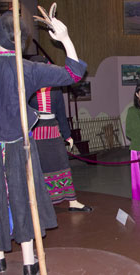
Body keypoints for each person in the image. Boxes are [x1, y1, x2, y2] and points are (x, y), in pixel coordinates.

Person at [0, 11, 86, 274]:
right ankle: (30, 261)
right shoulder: (29, 69)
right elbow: (74, 74)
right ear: (22, 42)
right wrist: (65, 39)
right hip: (21, 147)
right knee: (23, 196)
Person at [29, 57, 92, 212]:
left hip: (53, 131)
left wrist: (67, 135)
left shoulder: (56, 90)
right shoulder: (28, 88)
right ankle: (41, 201)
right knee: (39, 167)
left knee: (62, 163)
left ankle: (72, 201)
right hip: (35, 132)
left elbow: (61, 114)